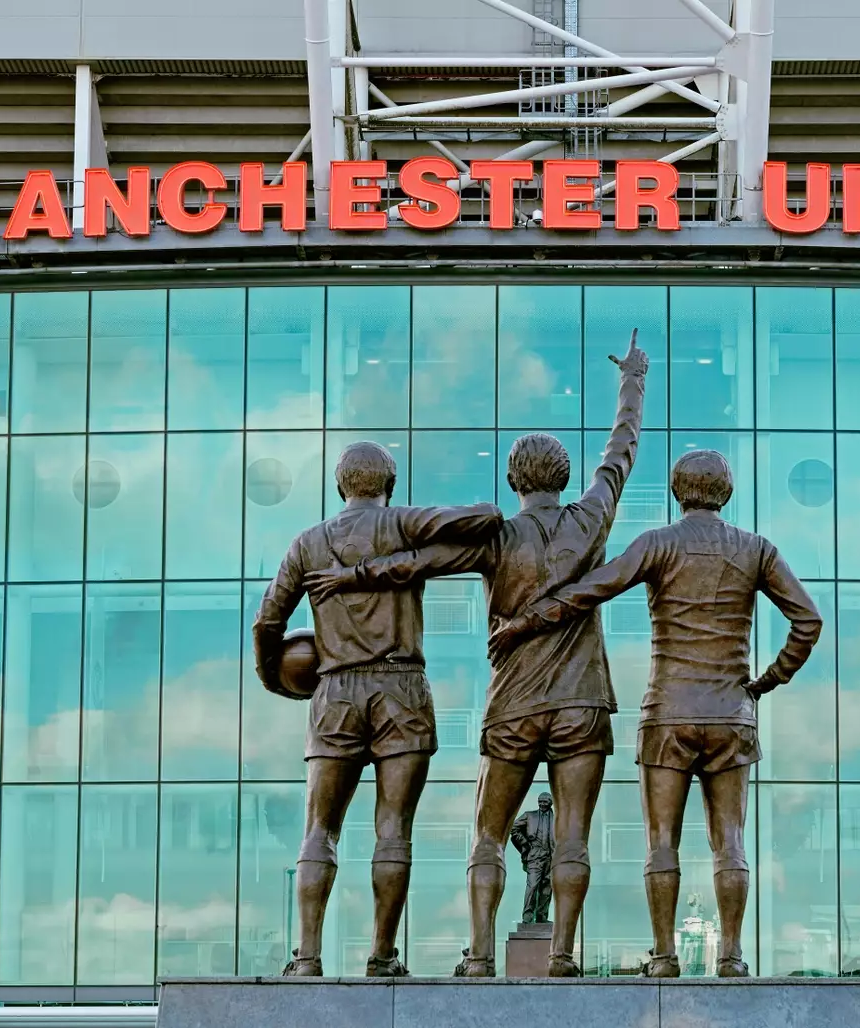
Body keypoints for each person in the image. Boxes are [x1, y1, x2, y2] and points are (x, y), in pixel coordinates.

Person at [302, 332, 649, 977]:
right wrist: (633, 382)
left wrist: (351, 575)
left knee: (489, 835)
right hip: (582, 702)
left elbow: (418, 563)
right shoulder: (591, 520)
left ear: (514, 481)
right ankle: (562, 957)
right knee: (573, 835)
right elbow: (620, 452)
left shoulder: (497, 539)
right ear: (563, 478)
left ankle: (482, 956)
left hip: (513, 704)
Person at [487, 449, 822, 977]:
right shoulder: (756, 549)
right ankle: (731, 956)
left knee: (661, 842)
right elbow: (808, 620)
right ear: (726, 493)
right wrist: (767, 680)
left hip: (668, 713)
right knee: (730, 842)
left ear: (676, 492)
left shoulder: (657, 544)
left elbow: (589, 590)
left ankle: (665, 956)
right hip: (731, 712)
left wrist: (523, 623)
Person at [252, 440, 503, 978]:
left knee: (319, 830)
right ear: (389, 485)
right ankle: (382, 956)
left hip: (335, 692)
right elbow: (487, 517)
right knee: (394, 829)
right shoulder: (403, 523)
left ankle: (308, 958)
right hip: (401, 688)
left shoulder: (308, 543)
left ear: (340, 486)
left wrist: (274, 679)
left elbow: (267, 622)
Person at [510, 792, 555, 924]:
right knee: (532, 886)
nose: (542, 804)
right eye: (540, 801)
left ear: (550, 803)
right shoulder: (530, 816)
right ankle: (527, 916)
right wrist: (524, 843)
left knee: (547, 888)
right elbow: (514, 828)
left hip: (551, 857)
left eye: (545, 802)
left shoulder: (557, 819)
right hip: (535, 856)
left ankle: (542, 916)